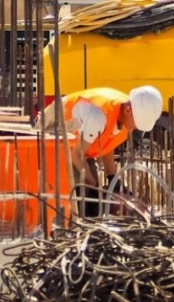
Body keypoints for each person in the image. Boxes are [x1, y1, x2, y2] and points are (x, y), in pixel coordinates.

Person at [42, 86, 163, 216]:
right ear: (128, 110)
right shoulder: (98, 116)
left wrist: (113, 179)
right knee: (80, 189)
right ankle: (69, 222)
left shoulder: (125, 115)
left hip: (77, 146)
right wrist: (94, 186)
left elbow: (107, 147)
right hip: (51, 132)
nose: (136, 128)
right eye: (137, 124)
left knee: (90, 185)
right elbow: (76, 155)